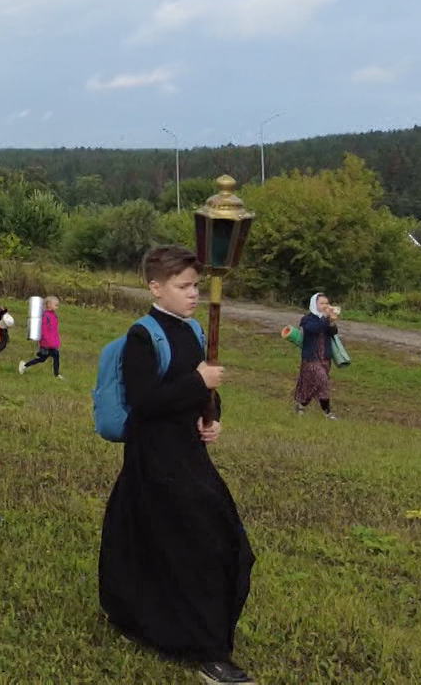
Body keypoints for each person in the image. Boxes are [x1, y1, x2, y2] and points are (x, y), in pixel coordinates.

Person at [100, 247, 255, 685]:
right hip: (155, 457)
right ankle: (208, 652)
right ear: (155, 287)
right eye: (183, 287)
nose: (193, 295)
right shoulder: (141, 337)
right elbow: (146, 402)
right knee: (191, 542)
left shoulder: (192, 332)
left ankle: (144, 618)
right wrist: (196, 383)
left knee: (206, 539)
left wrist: (212, 416)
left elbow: (205, 392)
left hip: (188, 452)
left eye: (196, 287)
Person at [294, 293, 342, 419]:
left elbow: (333, 332)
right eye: (321, 303)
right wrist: (325, 318)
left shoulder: (325, 319)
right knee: (323, 381)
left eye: (326, 303)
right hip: (311, 357)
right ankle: (328, 413)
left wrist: (331, 321)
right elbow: (313, 329)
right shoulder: (307, 319)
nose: (325, 306)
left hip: (324, 357)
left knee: (313, 385)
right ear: (314, 304)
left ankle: (301, 405)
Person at [19, 295, 64, 378]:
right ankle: (24, 365)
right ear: (49, 305)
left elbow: (54, 330)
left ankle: (56, 374)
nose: (57, 307)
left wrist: (56, 341)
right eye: (55, 305)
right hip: (46, 343)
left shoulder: (54, 316)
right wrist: (46, 340)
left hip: (52, 343)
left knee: (53, 357)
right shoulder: (45, 316)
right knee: (43, 358)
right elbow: (43, 330)